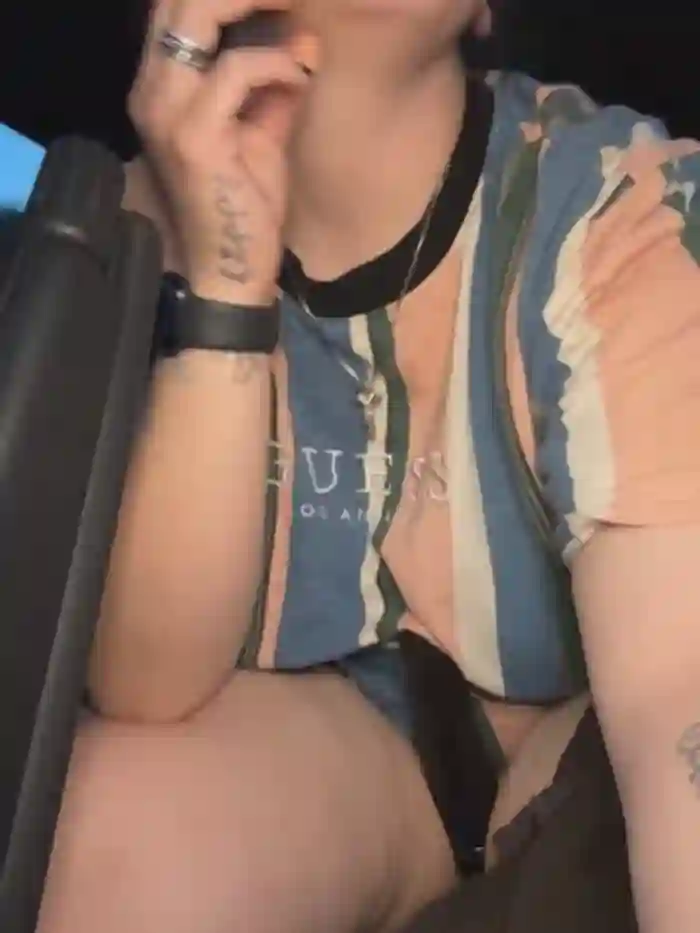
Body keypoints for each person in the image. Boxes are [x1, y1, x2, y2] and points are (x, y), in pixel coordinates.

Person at [37, 1, 700, 932]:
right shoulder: (121, 230)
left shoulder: (614, 202)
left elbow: (680, 698)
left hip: (576, 738)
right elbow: (145, 686)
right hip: (344, 746)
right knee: (95, 837)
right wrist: (226, 288)